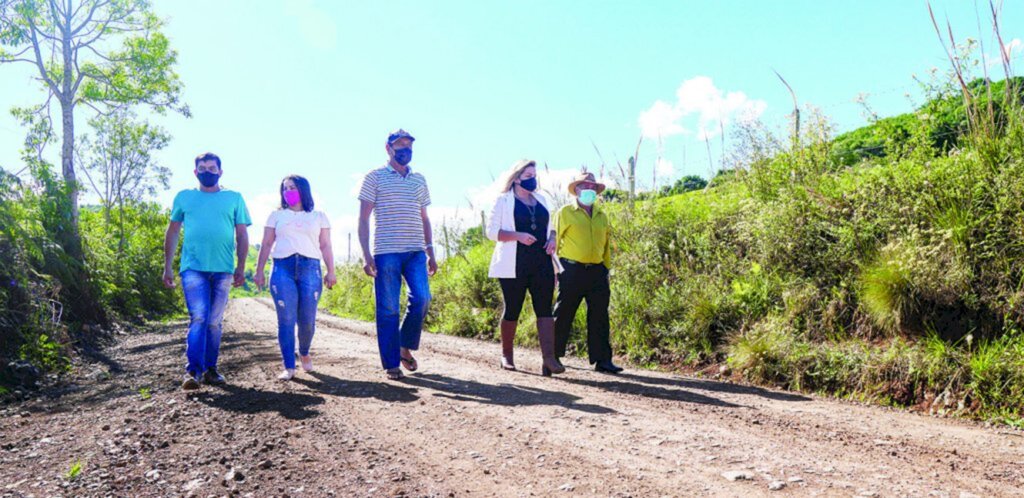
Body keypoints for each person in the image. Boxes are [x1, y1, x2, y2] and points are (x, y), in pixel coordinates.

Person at [163, 152, 252, 390]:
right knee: (199, 317)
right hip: (193, 268)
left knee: (214, 321)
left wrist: (241, 267)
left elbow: (242, 234)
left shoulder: (234, 198)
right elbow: (172, 232)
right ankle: (193, 371)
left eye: (212, 168)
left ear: (220, 172)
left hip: (223, 269)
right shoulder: (184, 197)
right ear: (195, 172)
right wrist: (167, 267)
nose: (207, 172)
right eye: (203, 168)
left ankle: (211, 369)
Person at [358, 129, 437, 380]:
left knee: (423, 298)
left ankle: (404, 346)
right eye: (400, 145)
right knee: (389, 308)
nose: (405, 150)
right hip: (386, 252)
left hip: (416, 251)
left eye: (409, 146)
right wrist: (366, 254)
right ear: (388, 148)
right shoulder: (374, 177)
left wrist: (430, 250)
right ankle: (392, 363)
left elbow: (425, 218)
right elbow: (363, 219)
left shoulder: (419, 180)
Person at [486, 159, 565, 376]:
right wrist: (517, 236)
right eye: (528, 176)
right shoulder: (503, 201)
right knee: (513, 308)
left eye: (534, 175)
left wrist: (552, 238)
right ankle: (507, 355)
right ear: (516, 178)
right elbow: (492, 233)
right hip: (514, 263)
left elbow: (551, 228)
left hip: (542, 261)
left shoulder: (541, 199)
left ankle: (549, 359)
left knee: (544, 309)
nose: (533, 179)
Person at [254, 175, 337, 381]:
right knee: (286, 319)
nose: (288, 191)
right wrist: (259, 271)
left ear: (303, 190)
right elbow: (266, 244)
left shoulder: (318, 216)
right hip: (282, 267)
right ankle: (289, 366)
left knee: (307, 320)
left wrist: (331, 270)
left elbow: (325, 245)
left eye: (292, 187)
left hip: (311, 268)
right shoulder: (276, 215)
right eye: (285, 188)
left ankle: (305, 351)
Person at [553, 172, 623, 373]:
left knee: (600, 315)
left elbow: (606, 244)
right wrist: (555, 271)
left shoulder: (602, 215)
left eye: (593, 187)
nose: (589, 190)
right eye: (585, 186)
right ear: (576, 190)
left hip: (597, 271)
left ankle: (602, 360)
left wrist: (606, 268)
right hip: (571, 269)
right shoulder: (565, 212)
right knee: (564, 313)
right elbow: (554, 242)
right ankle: (553, 356)